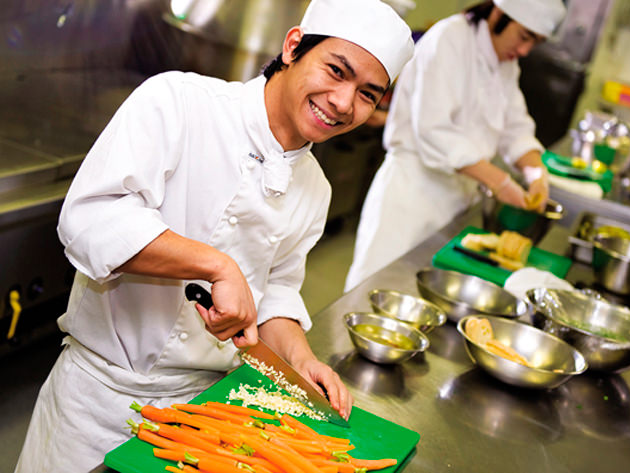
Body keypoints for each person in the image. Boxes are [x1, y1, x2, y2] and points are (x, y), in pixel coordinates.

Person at [14, 0, 413, 471]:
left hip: (203, 416)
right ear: (292, 47)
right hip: (96, 401)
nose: (345, 103)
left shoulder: (315, 188)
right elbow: (88, 219)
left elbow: (276, 291)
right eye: (336, 70)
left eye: (369, 94)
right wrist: (214, 264)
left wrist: (299, 359)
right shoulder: (179, 104)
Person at [344, 0, 566, 291]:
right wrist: (500, 182)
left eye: (534, 43)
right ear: (499, 13)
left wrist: (536, 174)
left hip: (456, 201)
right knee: (375, 292)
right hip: (412, 197)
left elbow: (515, 127)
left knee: (422, 301)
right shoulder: (449, 39)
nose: (524, 51)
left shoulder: (506, 64)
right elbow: (434, 131)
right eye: (524, 36)